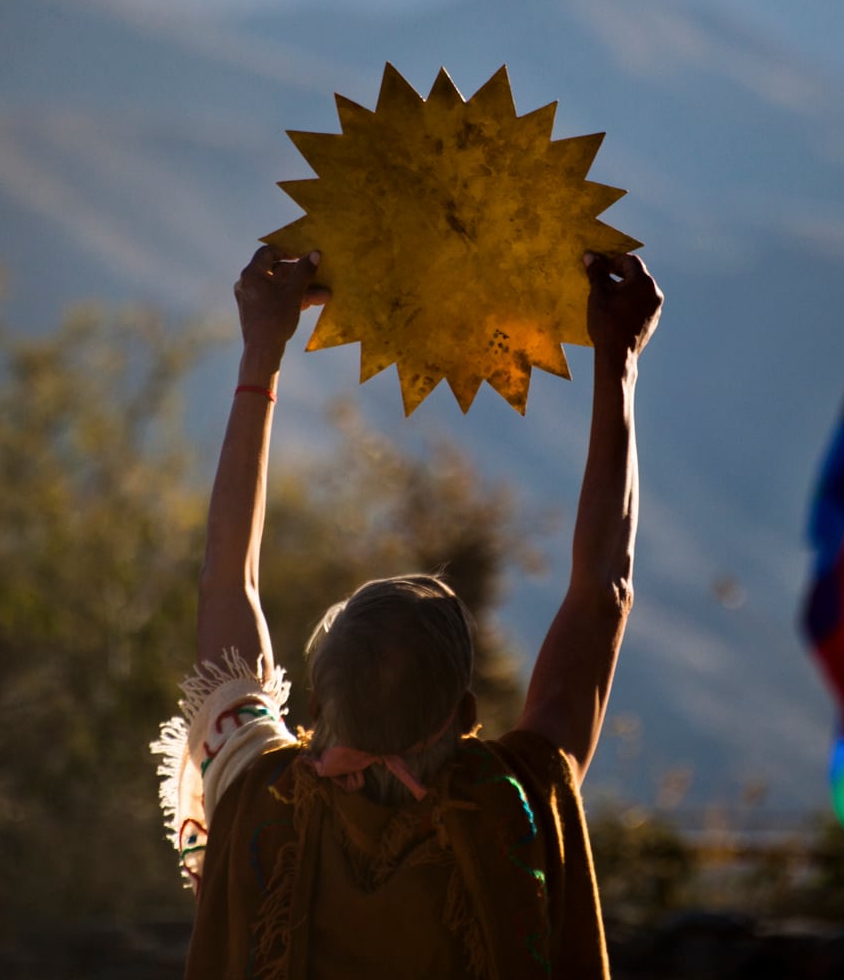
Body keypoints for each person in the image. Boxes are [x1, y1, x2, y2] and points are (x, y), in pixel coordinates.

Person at [154, 244, 663, 979]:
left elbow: (224, 584)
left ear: (320, 702)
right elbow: (603, 591)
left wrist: (260, 353)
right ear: (464, 710)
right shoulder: (513, 807)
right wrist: (619, 364)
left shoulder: (258, 795)